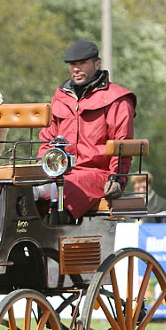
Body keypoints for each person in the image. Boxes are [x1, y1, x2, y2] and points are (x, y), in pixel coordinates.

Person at [37, 40, 136, 221]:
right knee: (23, 193)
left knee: (62, 194)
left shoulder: (117, 98)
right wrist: (39, 169)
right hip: (62, 172)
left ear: (97, 64)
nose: (76, 69)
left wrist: (118, 178)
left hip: (99, 174)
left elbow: (123, 144)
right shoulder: (61, 96)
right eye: (73, 64)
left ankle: (55, 244)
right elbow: (48, 139)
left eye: (82, 63)